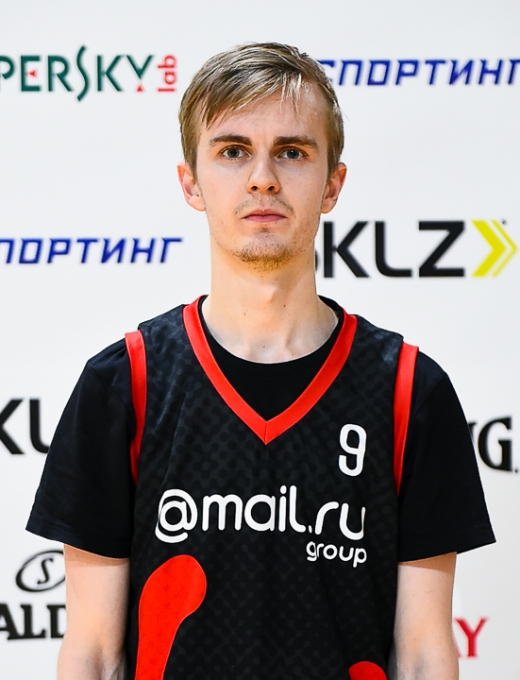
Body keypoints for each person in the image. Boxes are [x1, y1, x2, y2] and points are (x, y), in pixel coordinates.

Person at [27, 42, 494, 680]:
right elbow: (93, 654)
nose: (262, 178)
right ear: (190, 182)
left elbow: (422, 656)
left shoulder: (409, 391)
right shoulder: (124, 385)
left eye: (292, 152)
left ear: (333, 184)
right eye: (233, 151)